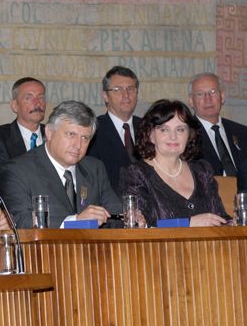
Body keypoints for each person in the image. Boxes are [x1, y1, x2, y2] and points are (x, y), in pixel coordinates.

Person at [0, 100, 121, 229]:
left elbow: (115, 215)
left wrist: (131, 218)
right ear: (49, 132)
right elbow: (19, 221)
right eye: (71, 134)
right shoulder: (17, 170)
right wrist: (75, 222)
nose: (78, 145)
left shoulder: (95, 168)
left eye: (85, 138)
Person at [119, 99, 229, 227]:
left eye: (180, 130)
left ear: (189, 135)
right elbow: (140, 225)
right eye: (164, 130)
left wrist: (233, 222)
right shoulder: (136, 174)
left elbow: (220, 217)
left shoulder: (202, 170)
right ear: (150, 135)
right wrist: (188, 223)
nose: (173, 136)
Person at [87, 66, 141, 194]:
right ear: (105, 96)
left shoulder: (148, 127)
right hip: (110, 208)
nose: (126, 95)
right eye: (118, 90)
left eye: (131, 89)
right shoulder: (93, 130)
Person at [0, 77, 46, 177]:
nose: (37, 103)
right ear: (14, 105)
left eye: (41, 97)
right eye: (29, 98)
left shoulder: (55, 136)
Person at [188, 73, 247, 176]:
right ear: (191, 101)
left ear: (222, 97)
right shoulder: (186, 135)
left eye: (213, 92)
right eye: (200, 94)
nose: (208, 99)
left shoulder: (242, 132)